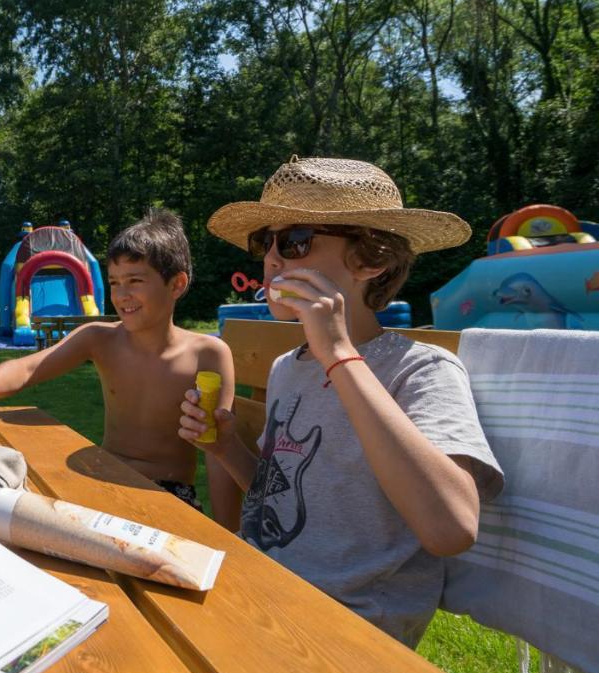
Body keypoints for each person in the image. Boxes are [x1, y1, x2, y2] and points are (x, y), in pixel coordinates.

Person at [180, 156, 503, 647]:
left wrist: (338, 354)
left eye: (294, 241)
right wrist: (226, 448)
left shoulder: (420, 370)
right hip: (263, 590)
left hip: (347, 630)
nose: (271, 258)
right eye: (263, 241)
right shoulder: (288, 367)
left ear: (372, 260)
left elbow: (452, 529)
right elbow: (287, 497)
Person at [0, 208, 234, 516]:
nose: (122, 295)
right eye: (115, 282)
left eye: (135, 280)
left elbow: (219, 451)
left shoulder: (208, 354)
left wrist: (230, 536)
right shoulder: (99, 338)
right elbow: (28, 367)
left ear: (176, 284)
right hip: (99, 482)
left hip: (166, 494)